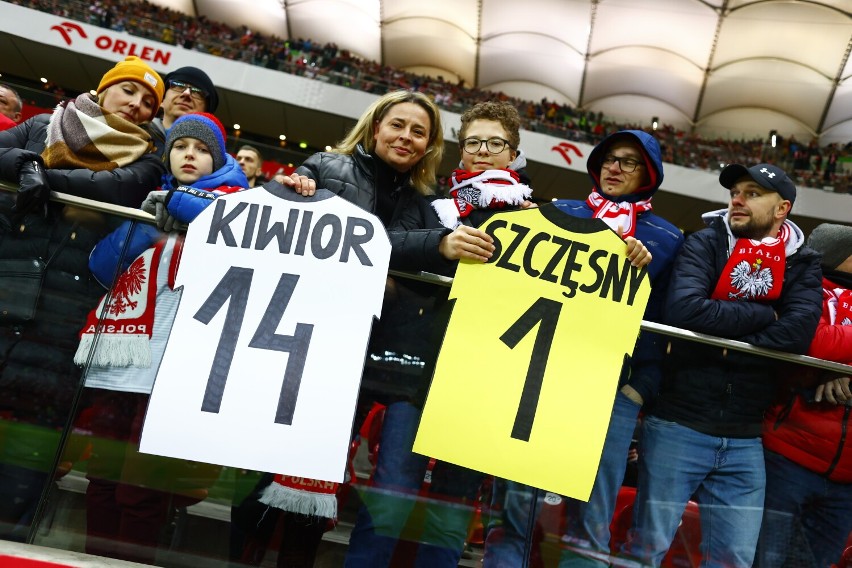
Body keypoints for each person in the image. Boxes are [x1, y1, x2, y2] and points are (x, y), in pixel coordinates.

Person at [481, 129, 683, 568]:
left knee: (589, 522)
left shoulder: (667, 238)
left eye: (629, 161)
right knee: (515, 508)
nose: (615, 166)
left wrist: (638, 389)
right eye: (609, 158)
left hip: (612, 393)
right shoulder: (558, 212)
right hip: (536, 378)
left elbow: (667, 323)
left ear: (648, 173)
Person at [623, 163, 824, 567]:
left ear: (782, 208)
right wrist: (767, 315)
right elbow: (683, 311)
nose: (737, 198)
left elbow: (798, 334)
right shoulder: (704, 242)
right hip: (677, 422)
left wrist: (723, 320)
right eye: (735, 190)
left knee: (734, 559)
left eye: (752, 193)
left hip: (746, 437)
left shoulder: (803, 261)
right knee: (647, 549)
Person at [0, 55, 165, 542]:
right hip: (7, 288)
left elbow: (112, 187)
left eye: (148, 101)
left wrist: (38, 176)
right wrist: (30, 161)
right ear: (105, 88)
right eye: (129, 91)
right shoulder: (40, 126)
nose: (137, 105)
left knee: (29, 455)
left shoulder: (148, 159)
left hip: (64, 315)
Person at [72, 112, 248, 564]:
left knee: (142, 489)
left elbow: (236, 236)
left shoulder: (240, 204)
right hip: (122, 364)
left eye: (202, 149)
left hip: (176, 366)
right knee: (104, 479)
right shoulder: (149, 199)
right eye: (181, 147)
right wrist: (146, 227)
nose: (190, 154)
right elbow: (101, 268)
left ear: (219, 157)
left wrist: (178, 202)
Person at [756, 222, 852, 568]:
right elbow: (811, 342)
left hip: (846, 481)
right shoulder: (804, 288)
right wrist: (827, 366)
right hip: (788, 459)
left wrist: (845, 373)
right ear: (839, 255)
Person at [148, 66, 218, 157]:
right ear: (162, 100)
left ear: (206, 112)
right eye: (178, 85)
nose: (186, 93)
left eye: (197, 92)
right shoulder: (136, 130)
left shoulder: (212, 156)